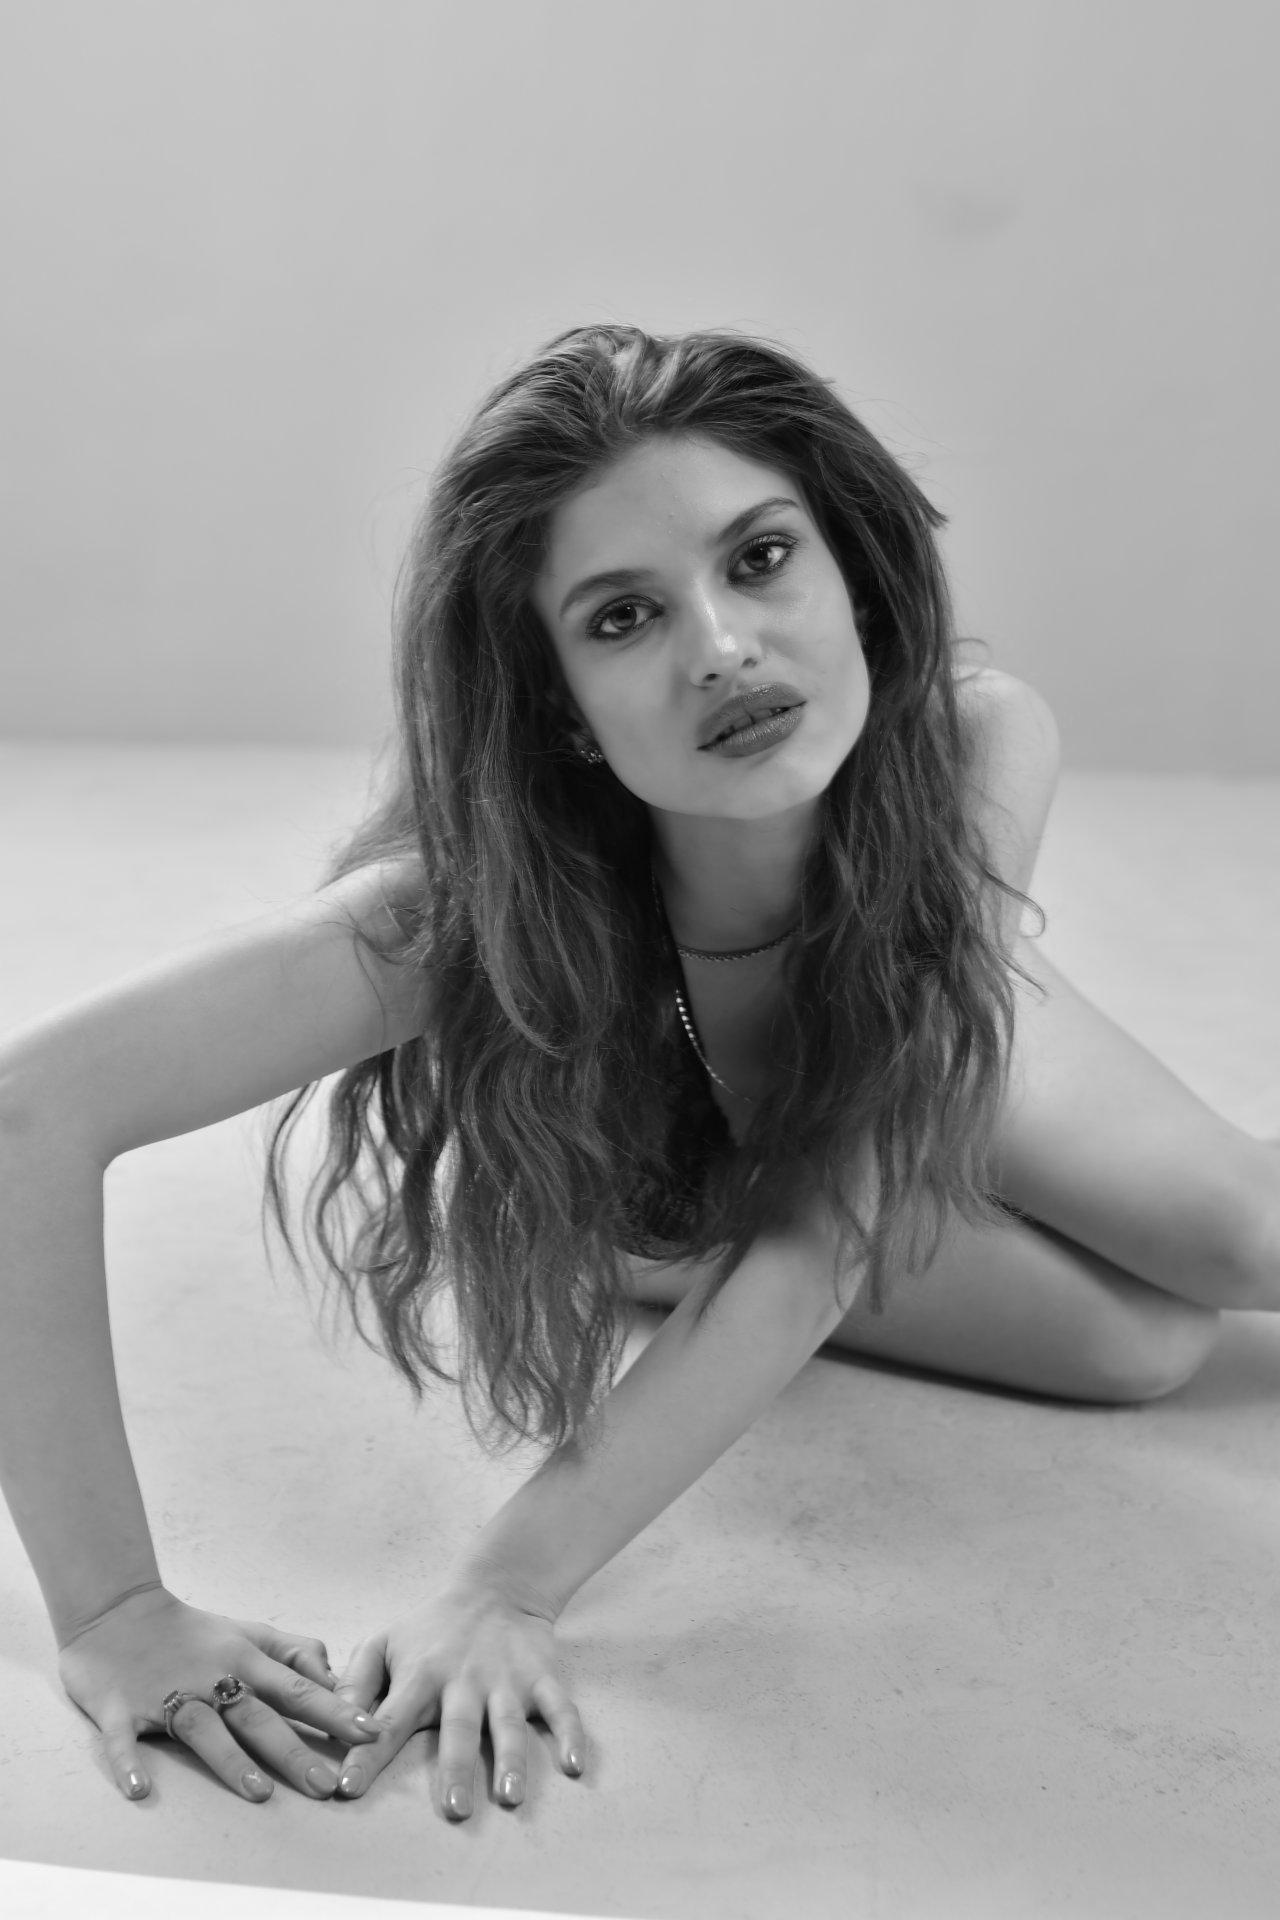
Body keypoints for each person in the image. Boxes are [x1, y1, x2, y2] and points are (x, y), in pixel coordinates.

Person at [1, 323, 1275, 1826]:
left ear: (853, 572)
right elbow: (31, 1111)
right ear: (561, 704)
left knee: (1238, 1242)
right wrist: (115, 1612)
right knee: (1135, 1347)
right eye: (622, 618)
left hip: (913, 1063)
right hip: (688, 1138)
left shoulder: (973, 746)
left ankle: (656, 1244)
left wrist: (515, 1578)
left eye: (761, 559)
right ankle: (649, 1225)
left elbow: (830, 1220)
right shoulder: (462, 918)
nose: (721, 649)